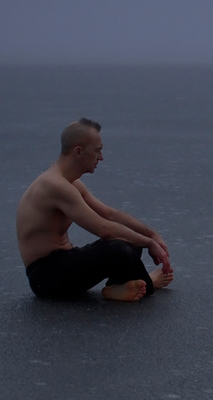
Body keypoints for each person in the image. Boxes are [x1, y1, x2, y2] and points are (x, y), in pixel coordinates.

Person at [16, 118, 174, 302]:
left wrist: (152, 235)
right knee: (118, 246)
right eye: (97, 150)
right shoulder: (54, 186)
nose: (101, 157)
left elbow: (109, 214)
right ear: (78, 151)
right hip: (46, 278)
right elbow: (104, 229)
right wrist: (149, 243)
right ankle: (147, 284)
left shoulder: (70, 183)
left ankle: (116, 288)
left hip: (66, 262)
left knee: (130, 240)